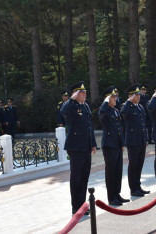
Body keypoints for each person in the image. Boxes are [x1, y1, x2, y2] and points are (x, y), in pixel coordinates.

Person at [61, 81, 97, 216]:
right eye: (81, 93)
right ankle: (75, 207)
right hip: (76, 148)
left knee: (84, 177)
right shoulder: (70, 106)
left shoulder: (86, 106)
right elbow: (63, 112)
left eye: (85, 92)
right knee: (76, 178)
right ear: (76, 94)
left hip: (86, 147)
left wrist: (93, 143)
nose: (84, 94)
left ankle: (82, 205)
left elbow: (90, 127)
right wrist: (72, 98)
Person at [98, 86, 129, 205]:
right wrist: (105, 101)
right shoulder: (104, 110)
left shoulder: (115, 110)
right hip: (109, 145)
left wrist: (122, 143)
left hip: (117, 144)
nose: (116, 98)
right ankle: (111, 197)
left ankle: (117, 194)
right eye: (113, 96)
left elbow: (119, 129)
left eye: (116, 96)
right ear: (107, 99)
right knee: (111, 171)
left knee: (118, 170)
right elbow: (102, 112)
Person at [121, 84, 150, 197]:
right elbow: (123, 113)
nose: (138, 97)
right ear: (130, 96)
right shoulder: (126, 106)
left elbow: (144, 124)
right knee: (133, 165)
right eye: (136, 95)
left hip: (141, 140)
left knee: (139, 164)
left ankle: (138, 186)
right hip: (133, 141)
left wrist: (146, 138)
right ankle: (133, 189)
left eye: (138, 95)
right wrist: (129, 101)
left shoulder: (140, 107)